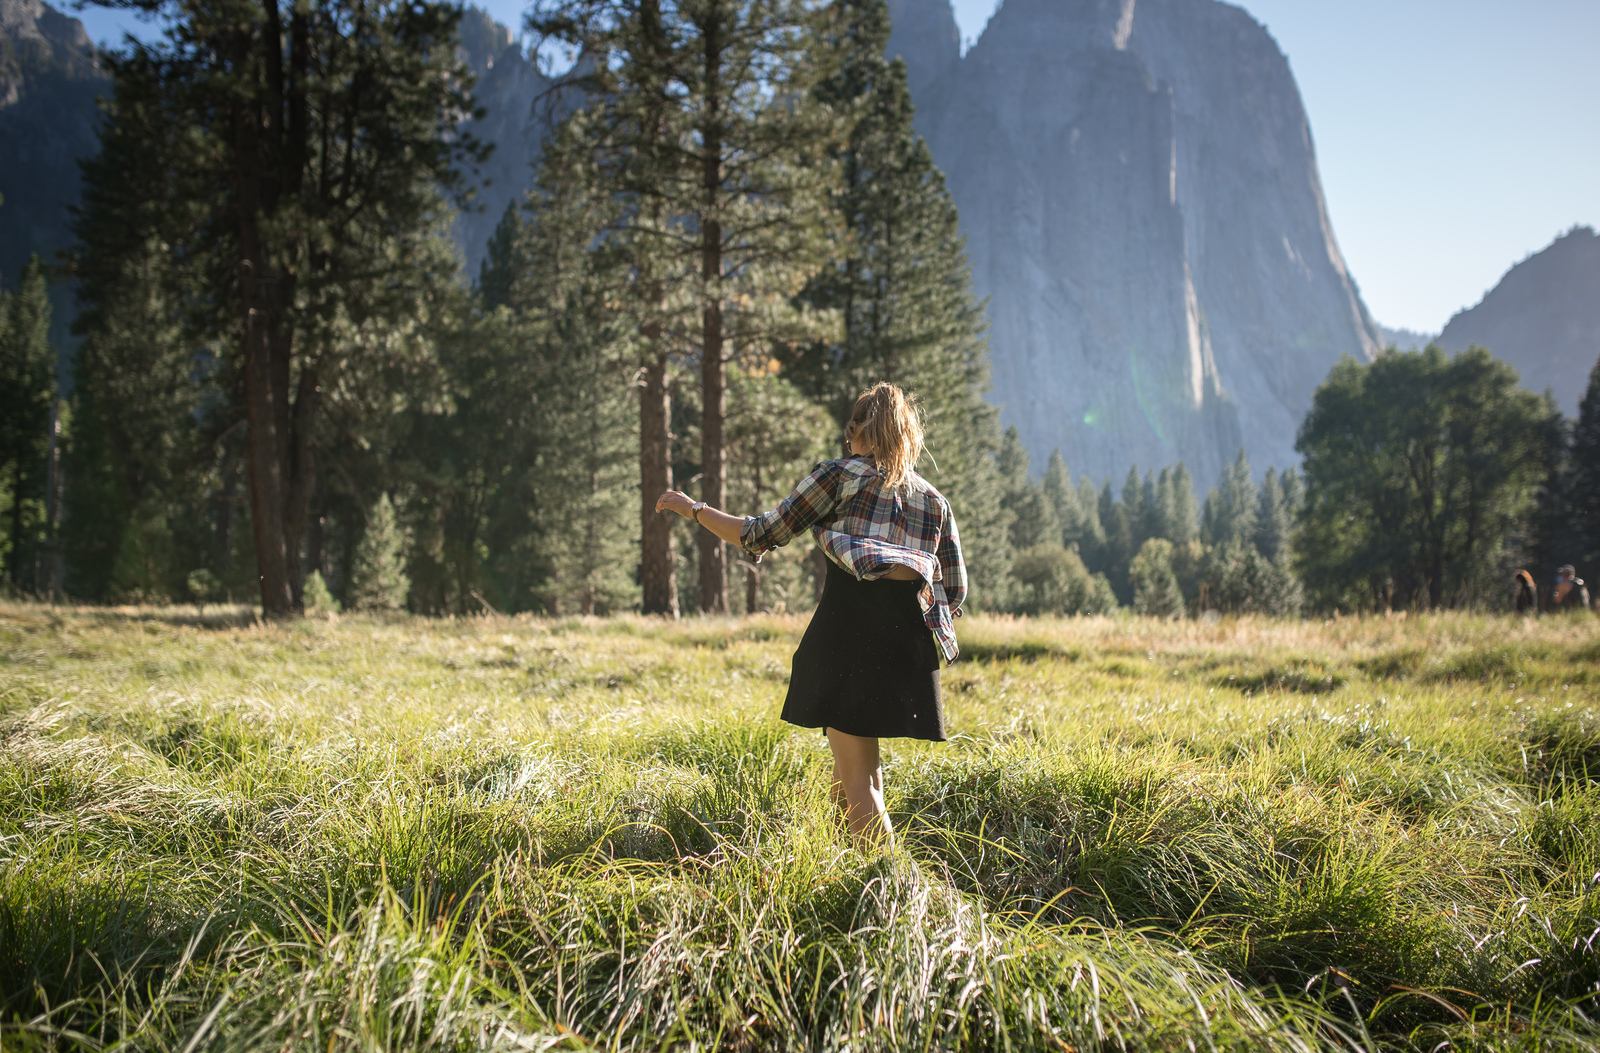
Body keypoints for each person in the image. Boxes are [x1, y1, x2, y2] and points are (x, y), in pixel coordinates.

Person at [654, 381, 967, 850]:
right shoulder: (933, 500)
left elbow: (759, 533)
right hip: (908, 640)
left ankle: (901, 894)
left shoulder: (837, 476)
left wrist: (695, 509)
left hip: (849, 628)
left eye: (850, 430)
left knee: (857, 783)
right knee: (855, 777)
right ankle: (854, 888)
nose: (847, 441)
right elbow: (955, 589)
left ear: (861, 431)